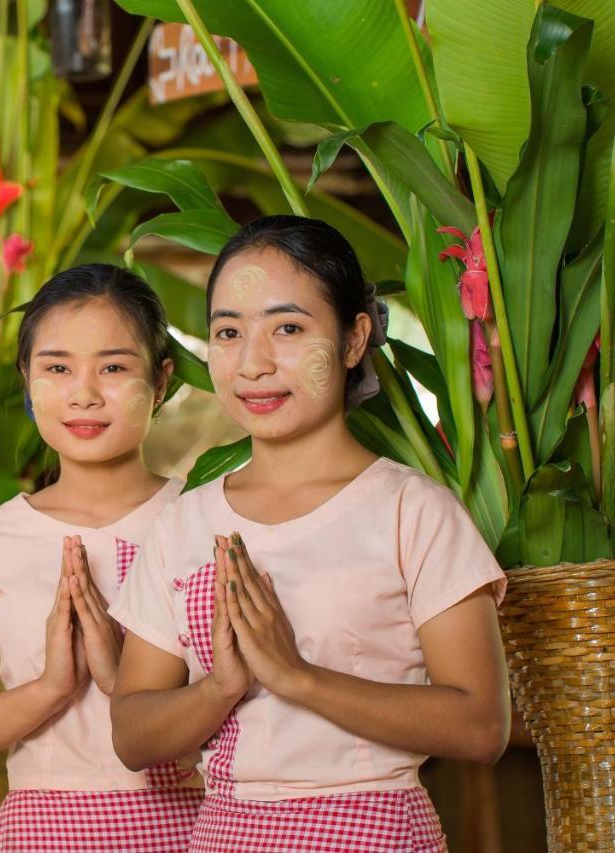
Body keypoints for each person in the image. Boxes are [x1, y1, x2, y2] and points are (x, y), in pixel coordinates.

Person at [108, 216, 510, 852]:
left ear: (354, 339)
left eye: (288, 328)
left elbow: (483, 726)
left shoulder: (413, 512)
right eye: (229, 333)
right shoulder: (184, 524)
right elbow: (132, 734)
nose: (254, 363)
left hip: (373, 832)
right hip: (222, 835)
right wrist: (221, 686)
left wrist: (297, 676)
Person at [0, 263, 204, 851]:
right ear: (26, 380)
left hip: (201, 827)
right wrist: (49, 690)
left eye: (114, 367)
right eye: (57, 368)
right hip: (40, 833)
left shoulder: (209, 521)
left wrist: (124, 682)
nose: (83, 393)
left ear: (162, 382)